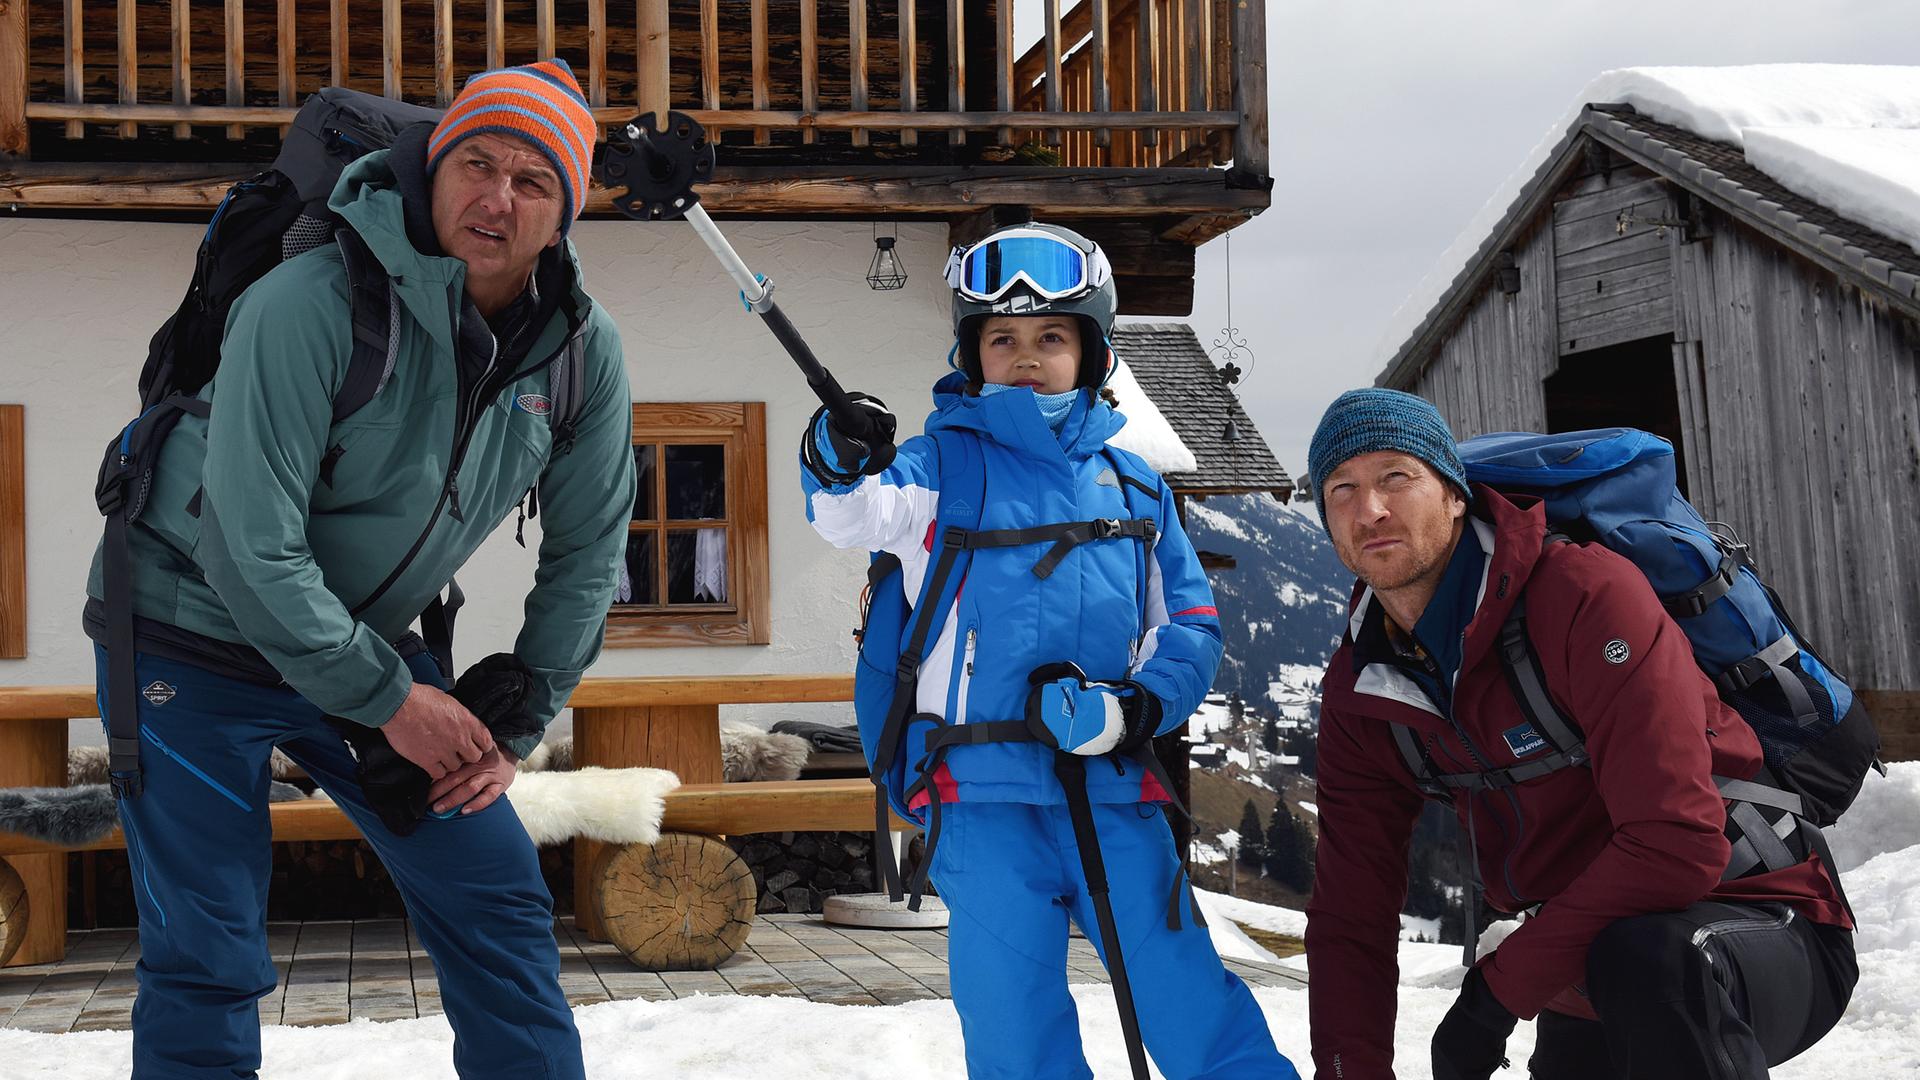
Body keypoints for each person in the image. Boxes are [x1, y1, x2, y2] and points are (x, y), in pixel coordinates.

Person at [83, 58, 634, 1079]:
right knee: (206, 947)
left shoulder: (579, 353)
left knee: (496, 896)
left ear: (566, 215)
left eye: (534, 180)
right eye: (477, 162)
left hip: (355, 640)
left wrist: (511, 722)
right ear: (431, 169)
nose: (497, 197)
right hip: (186, 630)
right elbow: (251, 549)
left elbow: (590, 553)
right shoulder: (308, 303)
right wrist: (391, 703)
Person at [799, 222, 1300, 1080]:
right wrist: (836, 453)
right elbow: (852, 512)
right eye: (1003, 338)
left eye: (1051, 337)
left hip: (1111, 784)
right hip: (978, 795)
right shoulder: (936, 469)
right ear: (974, 355)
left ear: (1092, 352)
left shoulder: (1137, 485)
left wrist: (1131, 709)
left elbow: (1189, 627)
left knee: (1184, 991)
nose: (1026, 355)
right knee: (1012, 1019)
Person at [1300, 389, 1856, 1080]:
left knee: (1650, 957)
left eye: (1396, 477)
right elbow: (1352, 910)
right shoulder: (1363, 685)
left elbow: (1675, 844)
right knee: (1627, 962)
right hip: (1588, 962)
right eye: (1341, 489)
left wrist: (1493, 995)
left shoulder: (1582, 596)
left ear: (1453, 495)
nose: (1370, 510)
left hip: (1761, 922)